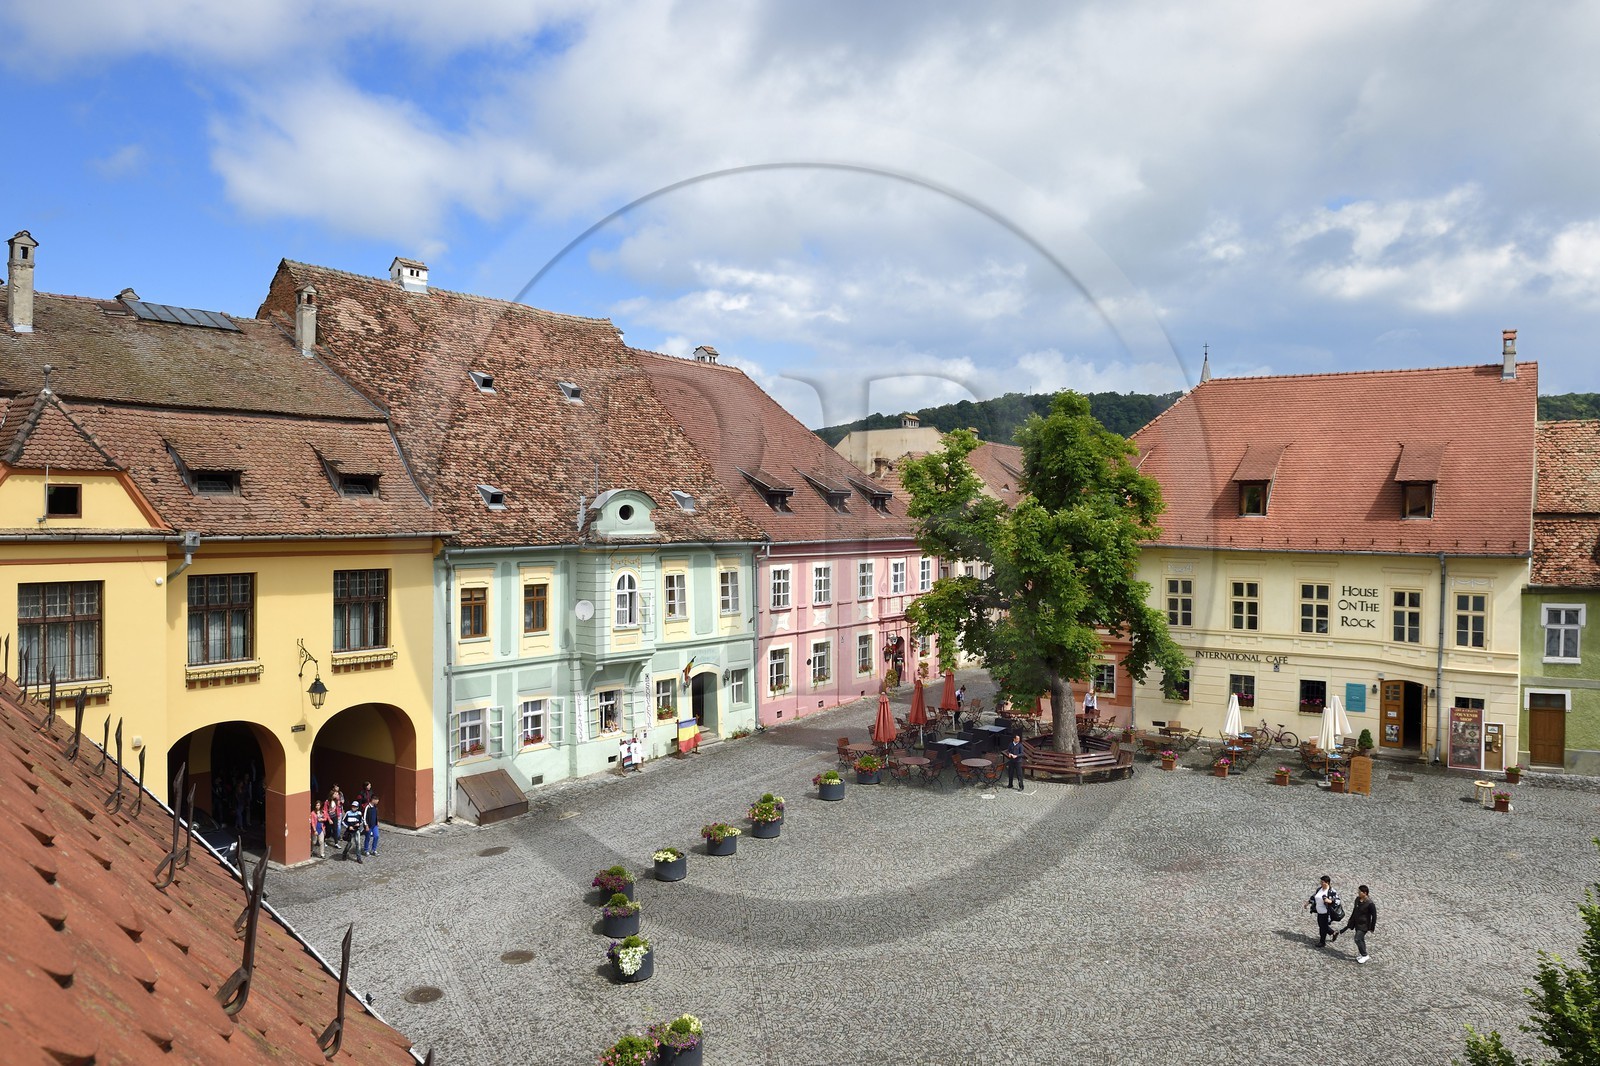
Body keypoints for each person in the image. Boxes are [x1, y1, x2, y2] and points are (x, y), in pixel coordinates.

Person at [1334, 885, 1378, 963]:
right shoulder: (1357, 900)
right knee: (1361, 939)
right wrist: (1351, 919)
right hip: (1357, 923)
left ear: (1365, 893)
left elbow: (1374, 916)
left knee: (1357, 938)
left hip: (1364, 925)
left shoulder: (1370, 903)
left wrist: (1372, 927)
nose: (1358, 893)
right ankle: (1363, 953)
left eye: (1360, 891)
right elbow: (1354, 911)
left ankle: (1364, 955)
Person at [1304, 874, 1341, 947]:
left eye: (1323, 882)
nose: (1321, 883)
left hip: (1326, 912)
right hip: (1319, 911)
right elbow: (1314, 896)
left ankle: (1322, 942)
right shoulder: (1319, 889)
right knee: (1322, 925)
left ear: (1327, 883)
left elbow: (1337, 901)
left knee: (1322, 927)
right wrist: (1308, 902)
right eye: (1321, 882)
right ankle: (1333, 933)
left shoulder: (1331, 891)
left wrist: (1330, 901)